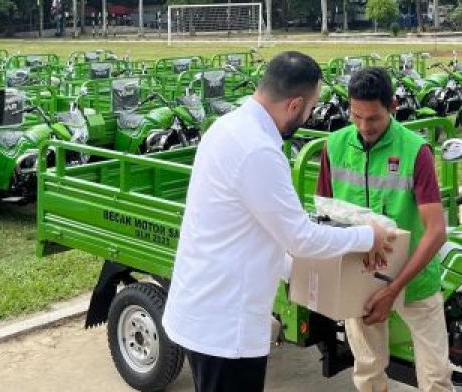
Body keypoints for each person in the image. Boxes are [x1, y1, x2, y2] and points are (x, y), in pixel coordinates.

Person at [163, 51, 393, 392]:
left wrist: (307, 279)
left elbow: (255, 230)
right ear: (294, 104)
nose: (310, 115)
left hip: (208, 312)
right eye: (311, 108)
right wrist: (367, 236)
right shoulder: (258, 150)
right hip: (226, 327)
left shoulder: (229, 127)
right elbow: (300, 238)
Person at [316, 68, 454, 392]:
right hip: (359, 279)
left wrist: (392, 291)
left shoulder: (414, 150)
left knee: (436, 376)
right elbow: (325, 215)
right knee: (367, 370)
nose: (365, 127)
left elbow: (436, 232)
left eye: (374, 118)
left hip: (415, 280)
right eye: (356, 116)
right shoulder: (334, 146)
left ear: (393, 106)